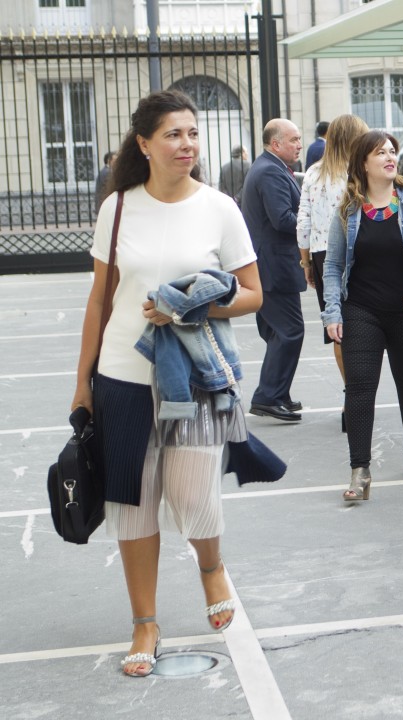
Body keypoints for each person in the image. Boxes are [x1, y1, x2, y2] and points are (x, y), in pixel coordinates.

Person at [71, 90, 266, 678]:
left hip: (195, 378)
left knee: (194, 495)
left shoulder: (220, 208)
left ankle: (211, 568)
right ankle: (145, 623)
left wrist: (190, 306)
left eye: (193, 133)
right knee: (131, 504)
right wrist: (82, 383)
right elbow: (100, 299)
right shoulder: (117, 209)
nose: (187, 145)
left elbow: (253, 294)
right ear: (144, 143)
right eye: (174, 135)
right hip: (122, 377)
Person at [322, 130, 403, 501]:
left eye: (392, 151)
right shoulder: (347, 210)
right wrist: (332, 311)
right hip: (362, 310)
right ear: (363, 163)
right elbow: (333, 265)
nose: (391, 157)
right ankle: (359, 471)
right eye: (381, 153)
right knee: (359, 386)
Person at [297, 114, 370, 431]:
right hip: (358, 251)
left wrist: (305, 264)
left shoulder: (314, 173)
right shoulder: (361, 172)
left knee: (337, 327)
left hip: (322, 254)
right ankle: (361, 393)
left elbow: (303, 223)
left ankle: (349, 395)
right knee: (365, 321)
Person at [241, 118, 305, 422]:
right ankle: (268, 396)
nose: (299, 145)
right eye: (293, 140)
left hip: (268, 265)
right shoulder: (269, 171)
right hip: (273, 267)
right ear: (275, 144)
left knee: (277, 332)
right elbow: (282, 219)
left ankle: (277, 393)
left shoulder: (270, 166)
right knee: (290, 331)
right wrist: (313, 222)